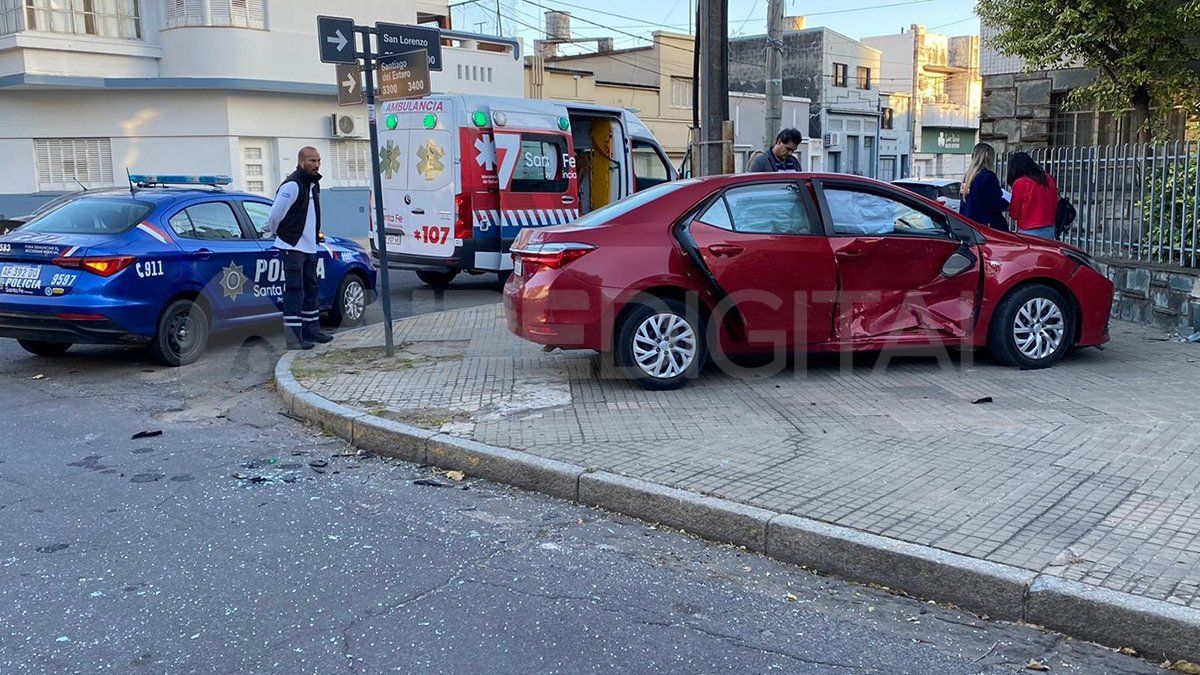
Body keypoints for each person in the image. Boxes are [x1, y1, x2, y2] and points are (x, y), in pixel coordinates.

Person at [266, 146, 333, 350]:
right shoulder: (292, 185)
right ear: (301, 161)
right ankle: (294, 338)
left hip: (309, 246)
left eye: (318, 161)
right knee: (295, 291)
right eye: (312, 161)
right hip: (292, 246)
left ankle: (311, 331)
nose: (316, 165)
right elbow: (274, 216)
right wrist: (280, 234)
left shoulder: (312, 184)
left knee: (311, 289)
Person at [1006, 151, 1060, 240]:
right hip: (1050, 228)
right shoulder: (1049, 179)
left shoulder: (1020, 183)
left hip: (1028, 229)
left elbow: (1014, 214)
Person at [958, 142, 1010, 231]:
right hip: (987, 226)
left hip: (968, 224)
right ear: (987, 156)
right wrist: (1007, 204)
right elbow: (994, 203)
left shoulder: (968, 177)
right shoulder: (988, 176)